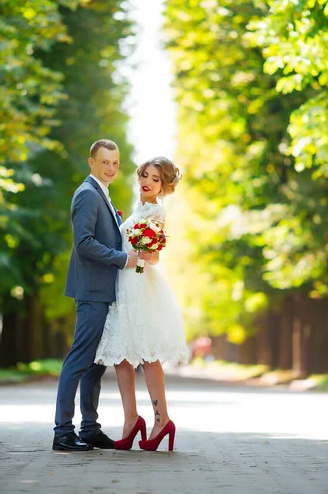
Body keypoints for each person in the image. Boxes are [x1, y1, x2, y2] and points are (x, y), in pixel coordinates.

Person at [95, 157, 189, 452]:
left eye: (156, 179)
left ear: (164, 186)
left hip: (140, 287)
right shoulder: (138, 209)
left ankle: (162, 420)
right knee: (122, 357)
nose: (147, 181)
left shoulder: (156, 211)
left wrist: (147, 253)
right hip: (123, 285)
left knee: (148, 355)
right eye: (145, 175)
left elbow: (156, 256)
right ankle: (131, 420)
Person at [52, 139, 138, 452]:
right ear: (92, 162)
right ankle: (63, 433)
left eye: (115, 163)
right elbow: (84, 243)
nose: (111, 169)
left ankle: (89, 428)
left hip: (104, 291)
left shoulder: (102, 192)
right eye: (105, 162)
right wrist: (123, 259)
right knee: (79, 360)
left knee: (95, 365)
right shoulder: (87, 194)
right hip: (91, 291)